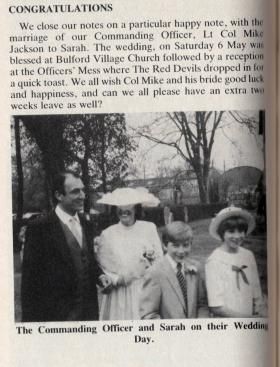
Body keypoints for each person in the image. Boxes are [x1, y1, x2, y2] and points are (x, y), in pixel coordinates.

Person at [21, 171, 111, 322]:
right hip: (56, 316)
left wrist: (100, 275)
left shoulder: (87, 224)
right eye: (75, 191)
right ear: (59, 195)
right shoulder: (39, 228)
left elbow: (87, 259)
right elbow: (30, 284)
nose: (82, 195)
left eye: (83, 190)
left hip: (88, 315)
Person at [96, 188, 163, 320]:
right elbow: (102, 265)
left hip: (144, 290)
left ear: (136, 208)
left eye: (128, 206)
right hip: (119, 293)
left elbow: (159, 259)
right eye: (119, 207)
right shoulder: (108, 233)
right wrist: (116, 279)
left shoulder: (149, 228)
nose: (123, 210)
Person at [205, 206, 264, 318]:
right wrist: (247, 320)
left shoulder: (248, 255)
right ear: (222, 233)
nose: (237, 236)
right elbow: (216, 307)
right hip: (227, 322)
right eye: (231, 232)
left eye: (241, 231)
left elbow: (256, 289)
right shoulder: (214, 260)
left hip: (249, 317)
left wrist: (257, 310)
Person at [139, 221, 204, 319]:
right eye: (175, 246)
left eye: (185, 245)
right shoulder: (154, 273)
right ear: (165, 246)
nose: (181, 251)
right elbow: (149, 314)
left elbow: (202, 305)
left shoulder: (196, 268)